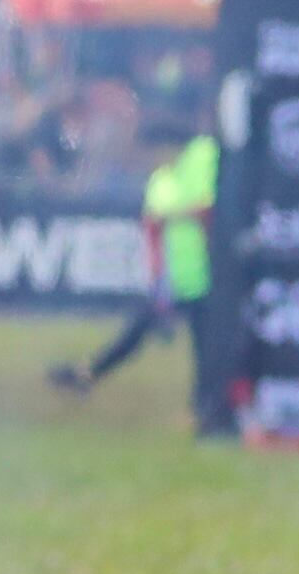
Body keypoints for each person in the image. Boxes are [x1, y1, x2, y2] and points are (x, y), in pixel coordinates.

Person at [49, 123, 217, 414]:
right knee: (140, 328)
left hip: (212, 272)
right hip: (180, 276)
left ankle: (208, 406)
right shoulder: (160, 179)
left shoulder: (203, 155)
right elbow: (153, 227)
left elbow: (208, 210)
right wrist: (157, 273)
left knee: (207, 343)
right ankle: (89, 372)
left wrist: (174, 216)